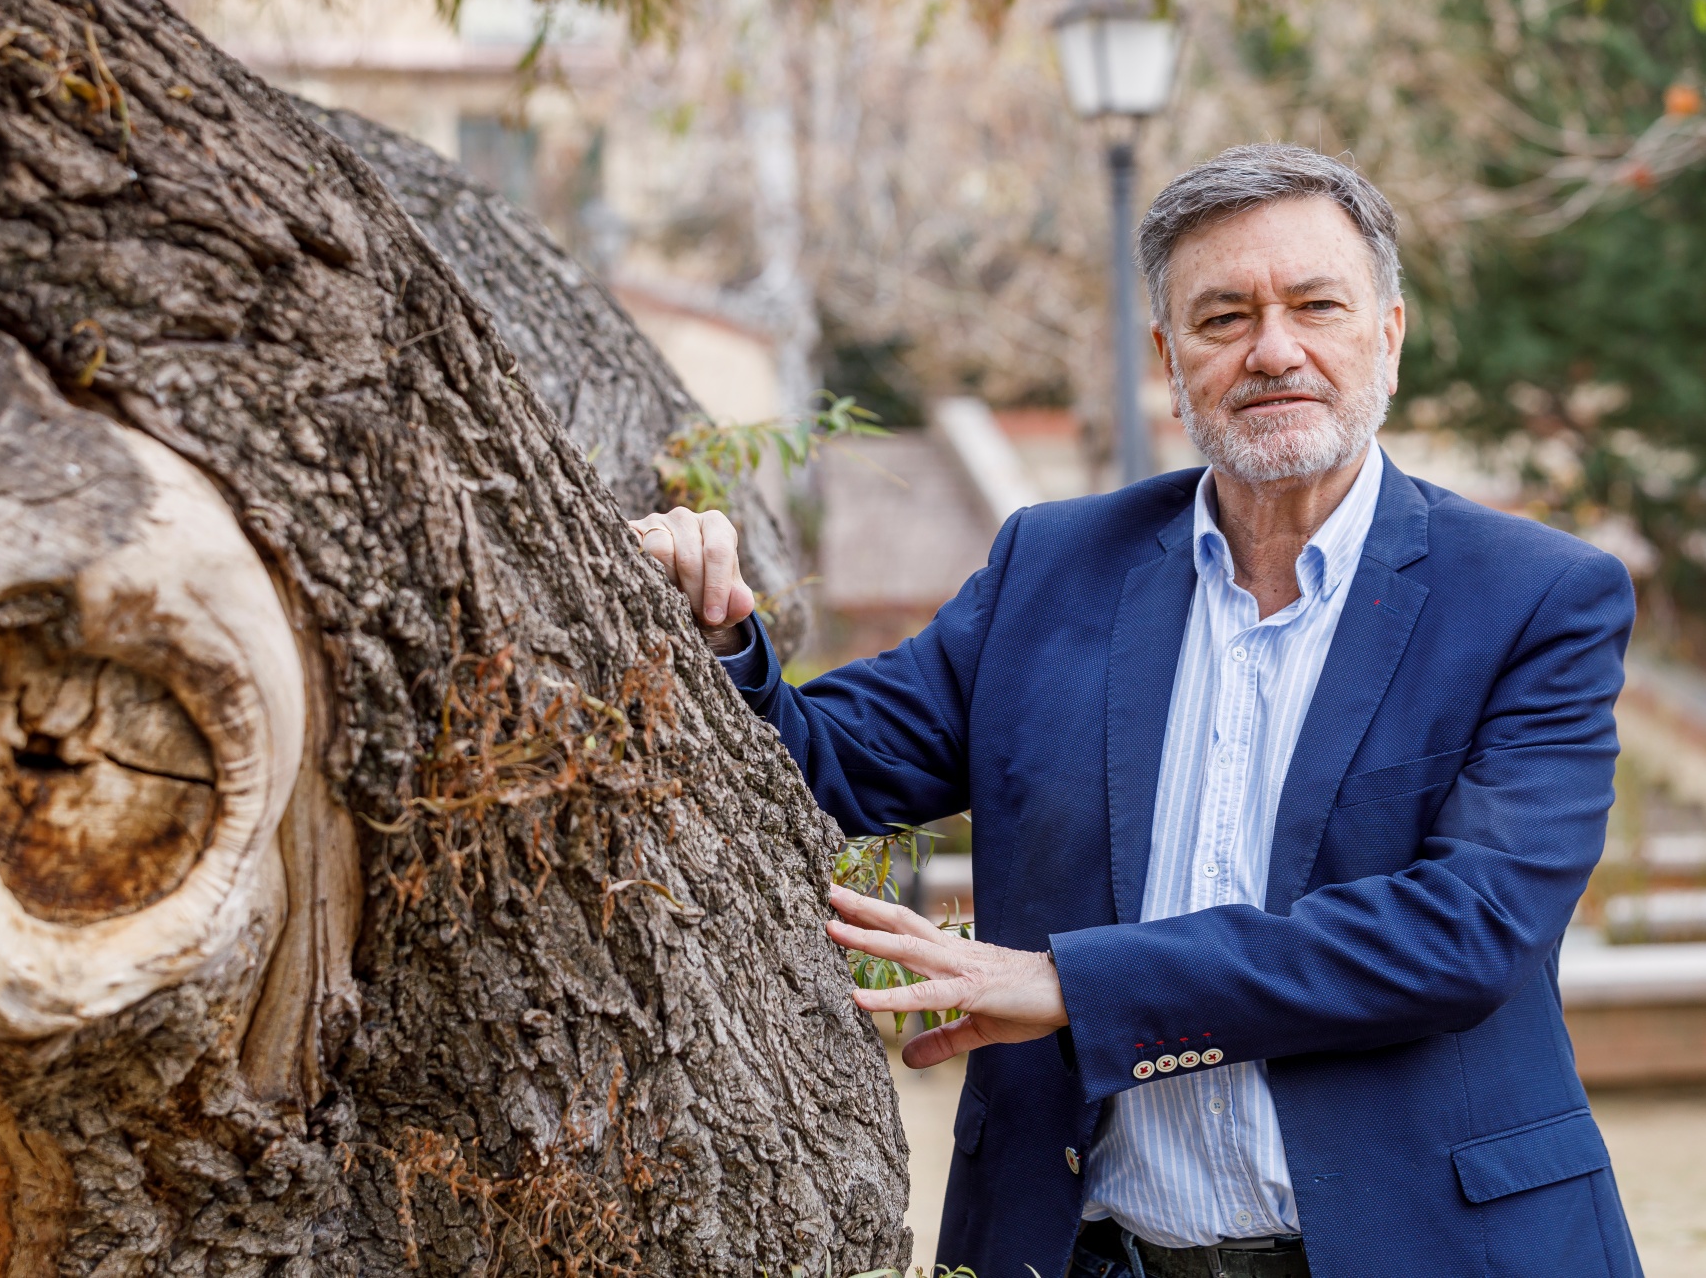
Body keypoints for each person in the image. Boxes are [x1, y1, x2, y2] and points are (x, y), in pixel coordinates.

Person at [630, 144, 1641, 1278]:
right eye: (1223, 317)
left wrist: (1071, 984)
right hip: (1088, 1254)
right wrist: (710, 629)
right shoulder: (1052, 566)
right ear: (1170, 359)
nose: (1274, 349)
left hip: (1437, 1248)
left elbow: (1469, 933)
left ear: (1388, 336)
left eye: (1317, 305)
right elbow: (818, 766)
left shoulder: (1535, 595)